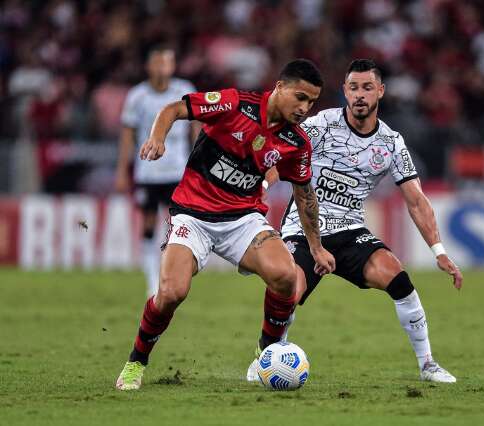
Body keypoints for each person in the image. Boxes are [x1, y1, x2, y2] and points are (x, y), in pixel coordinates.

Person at [116, 59, 336, 390]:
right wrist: (158, 139)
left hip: (242, 219)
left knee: (286, 275)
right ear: (279, 87)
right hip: (193, 213)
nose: (304, 108)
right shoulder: (235, 104)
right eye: (300, 97)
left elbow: (305, 196)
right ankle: (136, 362)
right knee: (171, 293)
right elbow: (173, 109)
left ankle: (265, 353)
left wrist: (316, 247)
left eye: (311, 102)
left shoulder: (296, 143)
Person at [247, 59, 463, 383]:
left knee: (398, 278)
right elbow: (279, 156)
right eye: (353, 88)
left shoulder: (391, 143)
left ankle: (428, 364)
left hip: (350, 231)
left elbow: (416, 200)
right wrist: (262, 186)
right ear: (344, 91)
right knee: (288, 290)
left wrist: (439, 250)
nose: (359, 95)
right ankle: (266, 353)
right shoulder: (321, 125)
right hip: (305, 230)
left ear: (380, 91)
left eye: (366, 87)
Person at [115, 45, 199, 297]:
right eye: (159, 63)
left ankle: (169, 277)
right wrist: (122, 170)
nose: (163, 68)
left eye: (167, 63)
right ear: (149, 66)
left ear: (173, 66)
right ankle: (152, 280)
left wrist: (198, 161)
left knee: (178, 226)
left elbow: (195, 127)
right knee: (149, 225)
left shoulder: (185, 91)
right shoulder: (137, 96)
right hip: (148, 172)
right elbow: (127, 135)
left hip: (178, 170)